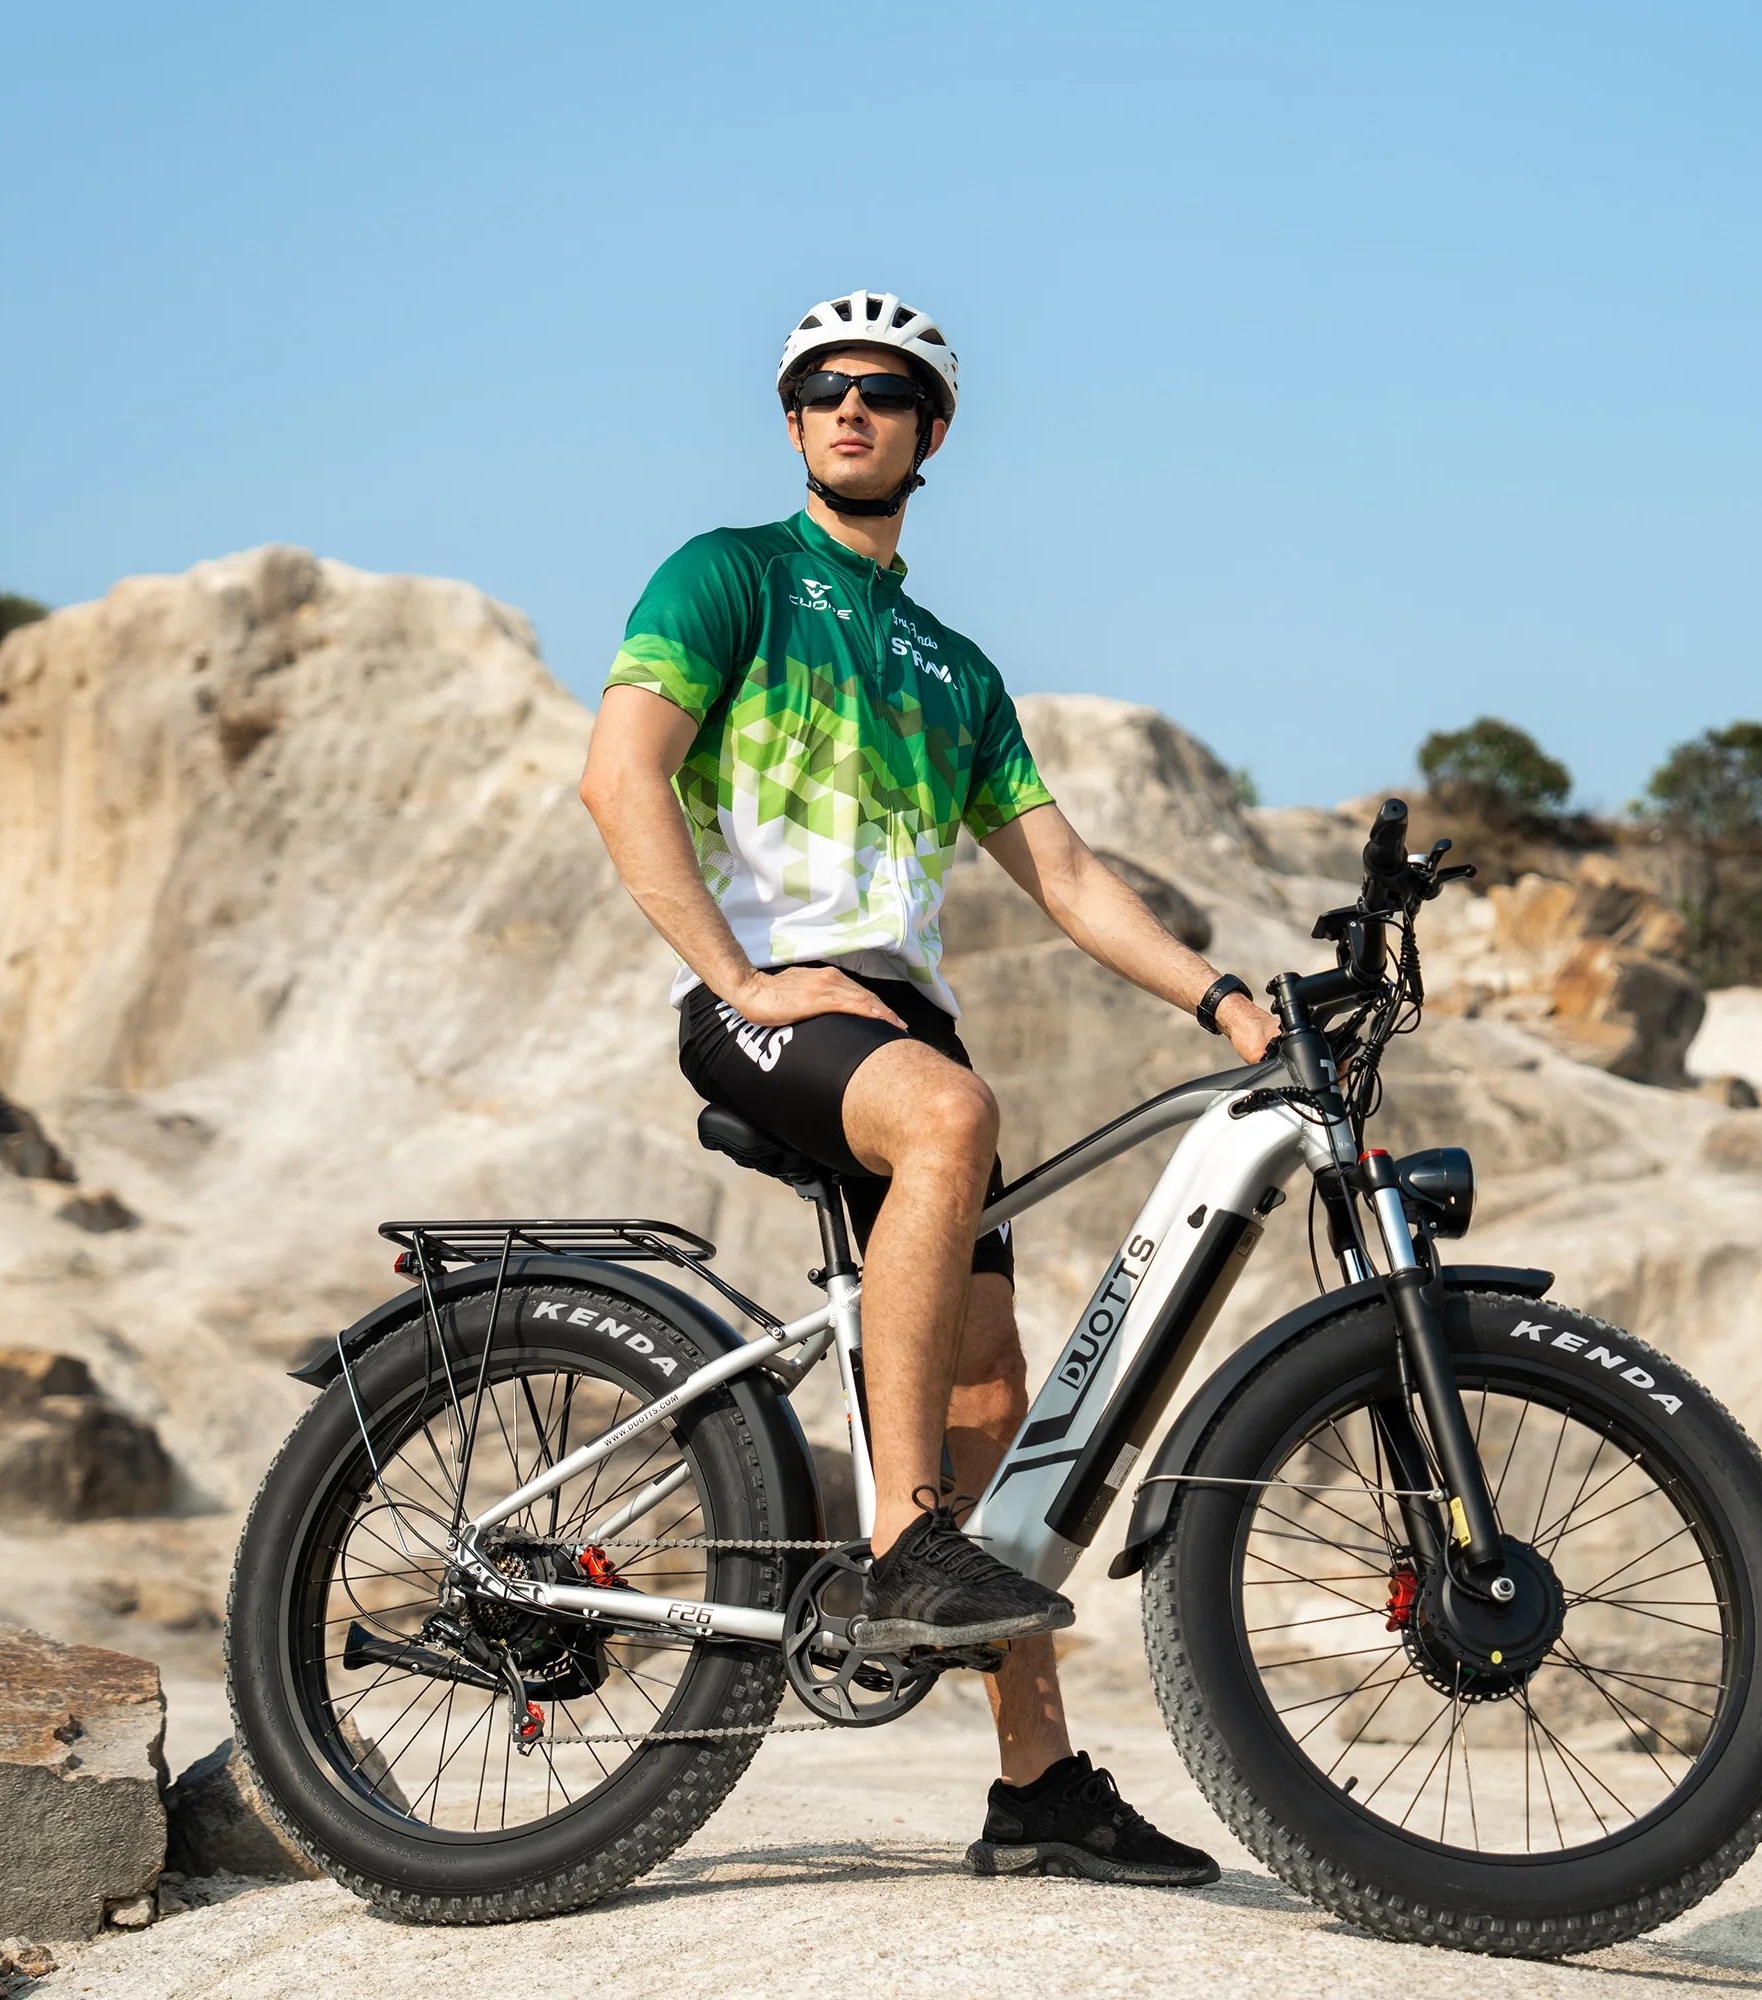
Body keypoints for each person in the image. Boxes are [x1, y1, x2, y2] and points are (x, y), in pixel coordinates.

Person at [577, 291, 1276, 1887]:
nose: (848, 411)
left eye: (883, 392)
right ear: (792, 418)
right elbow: (620, 774)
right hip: (774, 1007)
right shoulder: (731, 574)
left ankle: (1035, 1785)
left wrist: (1221, 996)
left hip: (900, 1021)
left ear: (931, 430)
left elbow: (1067, 872)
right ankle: (898, 1543)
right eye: (820, 389)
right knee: (955, 1121)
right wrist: (743, 977)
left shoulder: (954, 667)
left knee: (994, 1387)